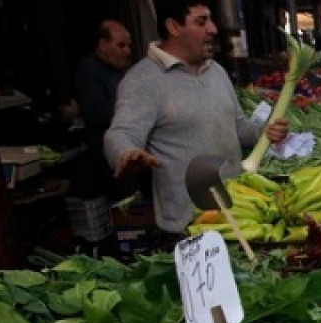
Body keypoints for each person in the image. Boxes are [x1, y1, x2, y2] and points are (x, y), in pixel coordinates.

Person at [104, 1, 288, 242]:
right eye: (201, 22)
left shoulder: (217, 72)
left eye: (211, 21)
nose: (212, 29)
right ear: (173, 27)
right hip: (189, 227)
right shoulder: (144, 80)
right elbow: (120, 133)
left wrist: (265, 132)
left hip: (237, 215)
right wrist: (126, 153)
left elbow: (239, 127)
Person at [75, 19, 133, 198]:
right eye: (121, 45)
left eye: (129, 46)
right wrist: (134, 111)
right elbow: (97, 112)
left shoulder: (121, 71)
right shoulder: (89, 71)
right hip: (108, 156)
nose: (127, 51)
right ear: (102, 45)